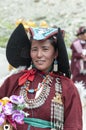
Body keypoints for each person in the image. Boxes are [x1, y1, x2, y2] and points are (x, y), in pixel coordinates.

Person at [0, 23, 82, 130]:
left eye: (45, 49)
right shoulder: (14, 81)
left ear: (55, 53)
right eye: (34, 49)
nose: (39, 55)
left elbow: (74, 125)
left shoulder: (67, 87)